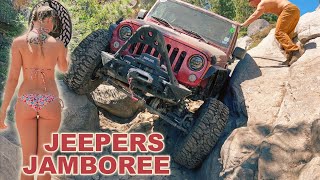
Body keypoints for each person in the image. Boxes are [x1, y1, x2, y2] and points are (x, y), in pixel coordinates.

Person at [0, 5, 68, 180]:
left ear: (34, 19)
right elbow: (63, 68)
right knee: (45, 161)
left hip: (26, 101)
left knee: (28, 162)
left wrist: (3, 110)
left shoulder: (19, 43)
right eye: (53, 21)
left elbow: (13, 78)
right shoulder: (58, 44)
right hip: (50, 100)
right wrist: (64, 51)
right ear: (48, 21)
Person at [240, 0, 304, 66]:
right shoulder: (266, 2)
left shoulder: (262, 3)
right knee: (287, 35)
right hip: (295, 10)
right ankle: (290, 58)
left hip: (288, 9)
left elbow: (254, 16)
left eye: (250, 2)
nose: (252, 6)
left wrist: (243, 24)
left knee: (279, 33)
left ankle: (295, 51)